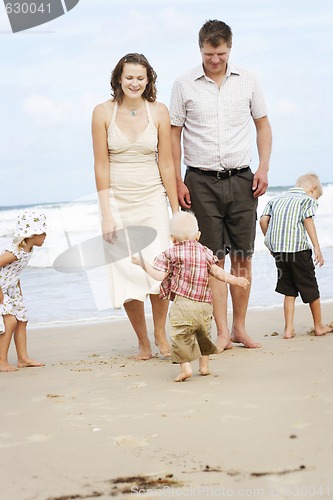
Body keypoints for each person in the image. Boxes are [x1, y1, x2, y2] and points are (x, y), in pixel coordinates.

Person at [170, 19, 272, 351]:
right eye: (209, 53)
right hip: (199, 181)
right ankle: (223, 332)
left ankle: (240, 328)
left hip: (242, 179)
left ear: (230, 48)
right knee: (212, 261)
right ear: (200, 49)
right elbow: (174, 133)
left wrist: (264, 168)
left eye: (222, 53)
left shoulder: (249, 80)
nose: (215, 59)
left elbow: (263, 126)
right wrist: (176, 179)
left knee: (243, 256)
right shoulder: (184, 83)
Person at [92, 53, 179, 360]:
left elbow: (166, 164)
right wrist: (106, 214)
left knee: (159, 268)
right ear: (118, 78)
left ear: (148, 79)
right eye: (129, 77)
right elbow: (101, 166)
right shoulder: (102, 112)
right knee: (125, 271)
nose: (134, 83)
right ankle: (143, 342)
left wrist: (175, 211)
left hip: (152, 197)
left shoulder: (158, 111)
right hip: (117, 201)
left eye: (140, 78)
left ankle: (160, 332)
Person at [132, 212, 249, 382]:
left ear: (172, 238)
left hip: (183, 305)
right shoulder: (205, 251)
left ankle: (186, 368)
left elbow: (159, 276)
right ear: (199, 235)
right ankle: (204, 366)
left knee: (181, 336)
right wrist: (235, 280)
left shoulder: (170, 253)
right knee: (203, 335)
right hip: (205, 306)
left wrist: (142, 263)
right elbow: (217, 272)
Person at [260, 173, 332, 339]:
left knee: (289, 289)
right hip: (298, 250)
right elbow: (308, 221)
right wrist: (316, 247)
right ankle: (319, 326)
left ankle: (288, 330)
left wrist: (270, 241)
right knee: (310, 287)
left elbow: (263, 221)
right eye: (317, 196)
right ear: (312, 189)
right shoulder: (306, 200)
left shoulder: (275, 200)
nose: (315, 199)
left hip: (280, 251)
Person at [0, 211, 47, 372]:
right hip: (1, 289)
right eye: (42, 232)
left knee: (22, 319)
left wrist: (18, 292)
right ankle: (2, 362)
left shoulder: (28, 249)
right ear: (32, 234)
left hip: (12, 290)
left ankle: (23, 358)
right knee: (10, 321)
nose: (45, 235)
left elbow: (14, 272)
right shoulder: (14, 251)